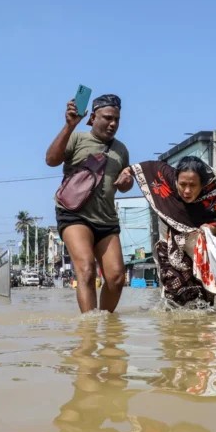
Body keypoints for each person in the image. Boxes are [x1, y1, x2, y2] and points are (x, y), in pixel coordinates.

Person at [46, 94, 133, 313]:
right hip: (74, 215)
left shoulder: (121, 150)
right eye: (107, 118)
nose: (113, 124)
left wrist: (127, 182)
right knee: (86, 270)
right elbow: (51, 160)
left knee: (116, 278)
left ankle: (106, 323)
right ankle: (89, 327)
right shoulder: (76, 138)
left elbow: (124, 186)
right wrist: (69, 126)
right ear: (93, 118)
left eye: (117, 119)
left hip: (106, 219)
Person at [128, 156, 216, 307]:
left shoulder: (215, 196)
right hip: (169, 246)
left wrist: (212, 228)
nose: (187, 191)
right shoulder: (166, 179)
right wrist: (127, 171)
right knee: (174, 293)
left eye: (193, 185)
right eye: (182, 184)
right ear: (176, 180)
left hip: (199, 249)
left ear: (202, 184)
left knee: (203, 300)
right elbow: (147, 167)